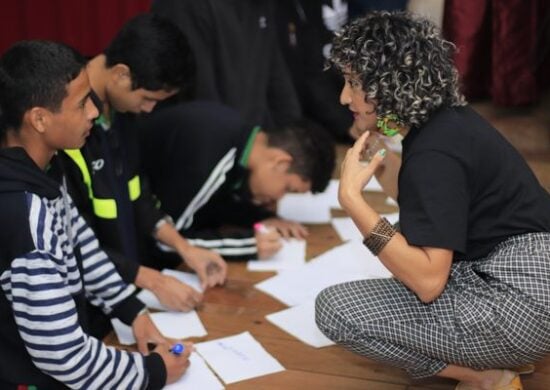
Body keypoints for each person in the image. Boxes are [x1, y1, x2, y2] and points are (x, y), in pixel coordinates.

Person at [315, 11, 550, 390]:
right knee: (405, 240)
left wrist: (353, 202)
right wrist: (379, 160)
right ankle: (504, 352)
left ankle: (487, 376)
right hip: (533, 281)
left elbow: (428, 282)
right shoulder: (447, 122)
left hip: (521, 304)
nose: (344, 97)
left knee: (336, 311)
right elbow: (430, 203)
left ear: (387, 87)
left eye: (354, 83)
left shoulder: (433, 156)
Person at [0, 40, 190, 389]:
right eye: (81, 102)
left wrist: (132, 312)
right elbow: (65, 358)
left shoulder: (43, 168)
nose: (92, 112)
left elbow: (81, 245)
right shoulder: (23, 217)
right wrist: (152, 372)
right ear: (40, 119)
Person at [56, 14, 227, 334]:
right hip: (91, 310)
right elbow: (73, 241)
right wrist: (154, 280)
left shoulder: (123, 114)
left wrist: (185, 248)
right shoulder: (68, 129)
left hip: (129, 297)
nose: (149, 110)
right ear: (121, 74)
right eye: (148, 98)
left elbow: (138, 195)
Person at [136, 101, 335, 265]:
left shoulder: (240, 135)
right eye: (287, 189)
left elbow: (214, 203)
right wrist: (248, 245)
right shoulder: (210, 159)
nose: (278, 198)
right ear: (280, 162)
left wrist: (258, 218)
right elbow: (167, 241)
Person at [151, 0, 302, 128]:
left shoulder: (261, 5)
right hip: (207, 145)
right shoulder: (184, 6)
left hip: (251, 141)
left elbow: (278, 83)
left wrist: (292, 138)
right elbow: (199, 94)